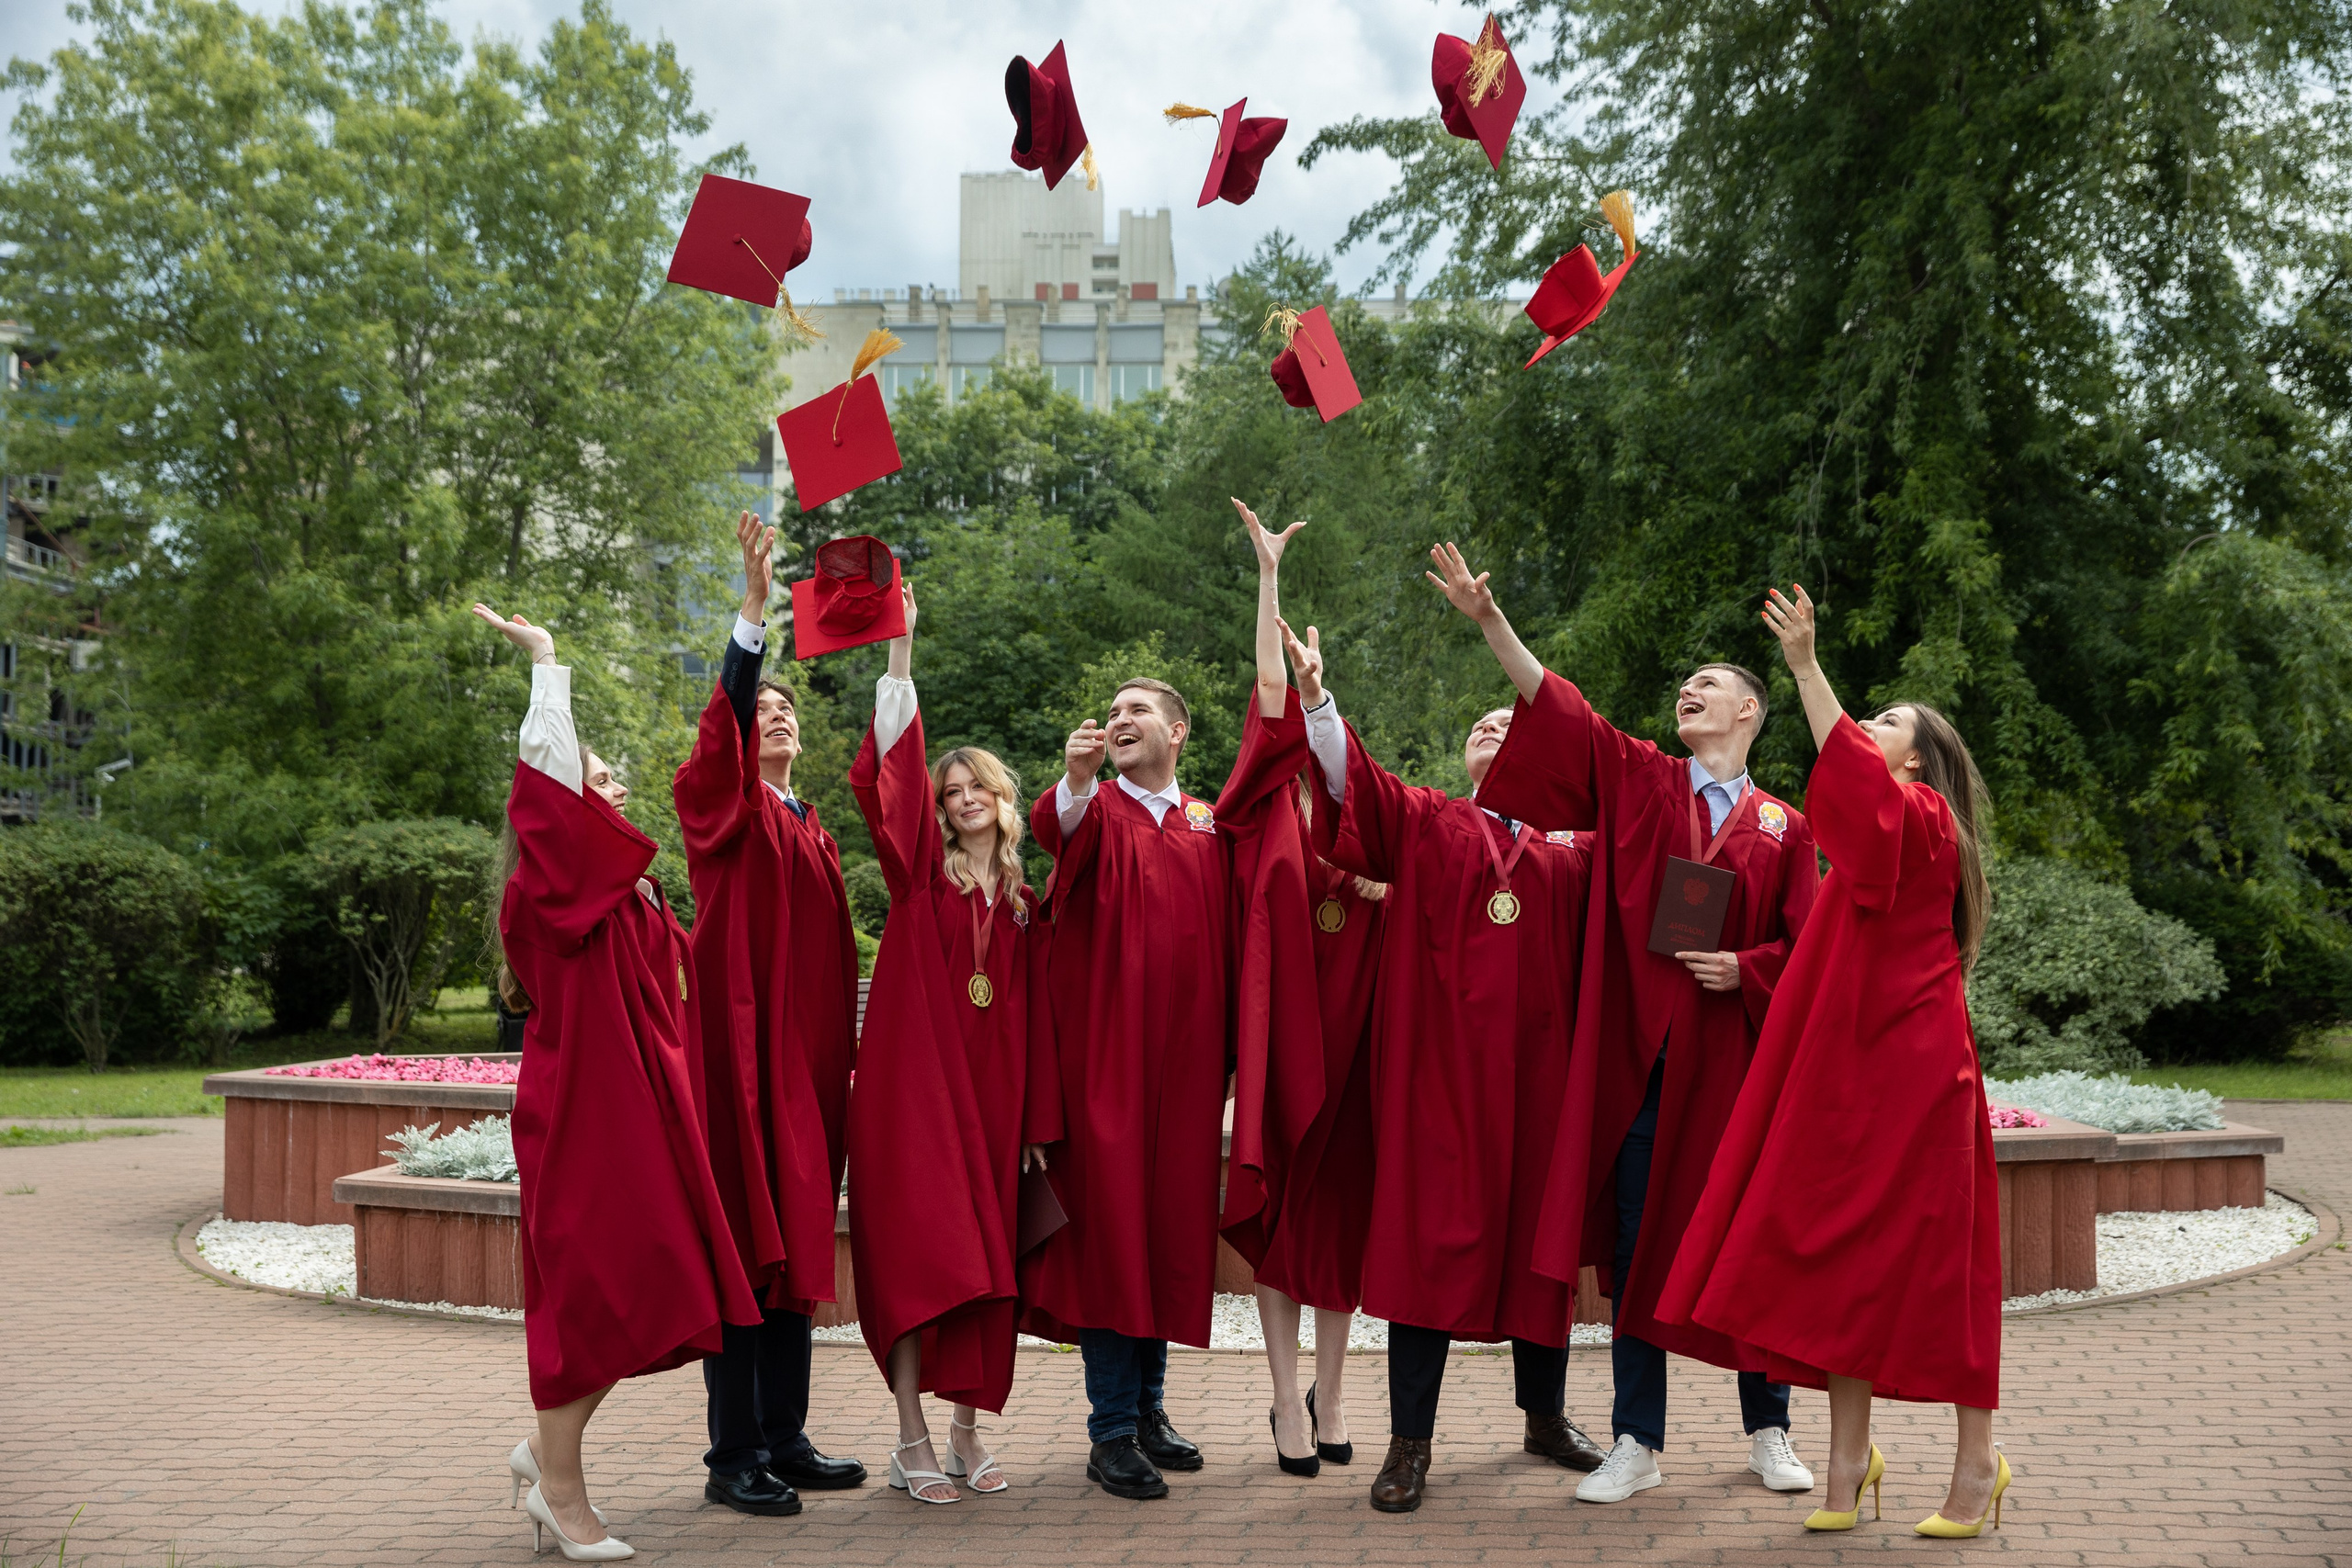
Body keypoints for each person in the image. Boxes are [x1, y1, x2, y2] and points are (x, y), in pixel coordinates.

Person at [1462, 542, 1820, 1506]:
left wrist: (1741, 968)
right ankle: (1636, 1440)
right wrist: (1492, 622)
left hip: (1732, 1074)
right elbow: (1564, 714)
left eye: (1705, 685)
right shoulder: (1648, 784)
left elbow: (1811, 951)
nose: (1685, 695)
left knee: (1747, 1245)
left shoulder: (1785, 828)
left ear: (1747, 710)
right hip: (1641, 1069)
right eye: (1682, 688)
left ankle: (1770, 1429)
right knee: (1635, 1253)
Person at [1657, 584, 2007, 1538]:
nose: (1870, 727)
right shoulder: (1861, 840)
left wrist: (1807, 668)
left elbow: (1849, 775)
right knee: (1830, 1261)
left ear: (1920, 760)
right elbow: (1846, 803)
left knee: (1941, 1270)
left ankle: (1979, 1464)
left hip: (1920, 1074)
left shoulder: (1924, 817)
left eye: (1889, 721)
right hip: (1848, 1075)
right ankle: (1848, 1461)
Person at [1280, 568, 1609, 1517]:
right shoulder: (1427, 823)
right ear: (1463, 759)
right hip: (1440, 1087)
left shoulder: (1578, 847)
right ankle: (1409, 1447)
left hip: (1542, 1083)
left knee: (1541, 1253)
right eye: (1482, 729)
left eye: (1511, 727)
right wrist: (1317, 699)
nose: (1496, 734)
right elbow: (1353, 787)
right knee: (1427, 1254)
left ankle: (1543, 1419)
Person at [1020, 507, 1298, 1501]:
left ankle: (1144, 1409)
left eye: (1141, 707)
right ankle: (1107, 1432)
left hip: (1182, 1078)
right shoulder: (1091, 816)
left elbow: (1274, 720)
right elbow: (1054, 833)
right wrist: (1075, 775)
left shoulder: (1209, 827)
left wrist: (1267, 581)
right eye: (1113, 706)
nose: (1122, 714)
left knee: (1167, 1235)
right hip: (1104, 1074)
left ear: (1178, 732)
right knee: (1111, 1240)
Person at [473, 603, 760, 1562]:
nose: (609, 789)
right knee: (596, 1299)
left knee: (660, 1288)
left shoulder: (629, 898)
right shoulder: (552, 891)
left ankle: (543, 1448)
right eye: (592, 777)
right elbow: (547, 783)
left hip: (640, 1119)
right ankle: (560, 1489)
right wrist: (547, 665)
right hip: (583, 1121)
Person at [674, 512, 866, 1517]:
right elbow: (726, 727)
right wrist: (753, 617)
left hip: (803, 1074)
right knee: (747, 1243)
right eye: (767, 709)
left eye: (792, 707)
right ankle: (730, 1454)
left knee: (792, 1244)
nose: (779, 715)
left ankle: (785, 1435)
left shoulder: (813, 831)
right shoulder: (727, 810)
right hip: (742, 1069)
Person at [844, 580, 1048, 1506]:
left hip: (994, 1106)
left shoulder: (1020, 903)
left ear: (1001, 799)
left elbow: (1041, 1017)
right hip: (913, 1103)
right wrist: (900, 648)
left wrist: (1038, 1122)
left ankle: (965, 1433)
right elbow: (890, 775)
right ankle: (910, 1437)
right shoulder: (919, 878)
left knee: (989, 1265)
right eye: (950, 788)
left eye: (976, 787)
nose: (961, 797)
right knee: (921, 1256)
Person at [1216, 502, 1382, 1479]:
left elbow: (1318, 726)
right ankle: (1283, 1396)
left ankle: (1334, 1394)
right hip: (1280, 1038)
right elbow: (1272, 691)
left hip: (1351, 1031)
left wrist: (1324, 703)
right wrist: (1269, 577)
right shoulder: (1252, 810)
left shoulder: (1368, 807)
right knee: (1279, 1214)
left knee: (1338, 1218)